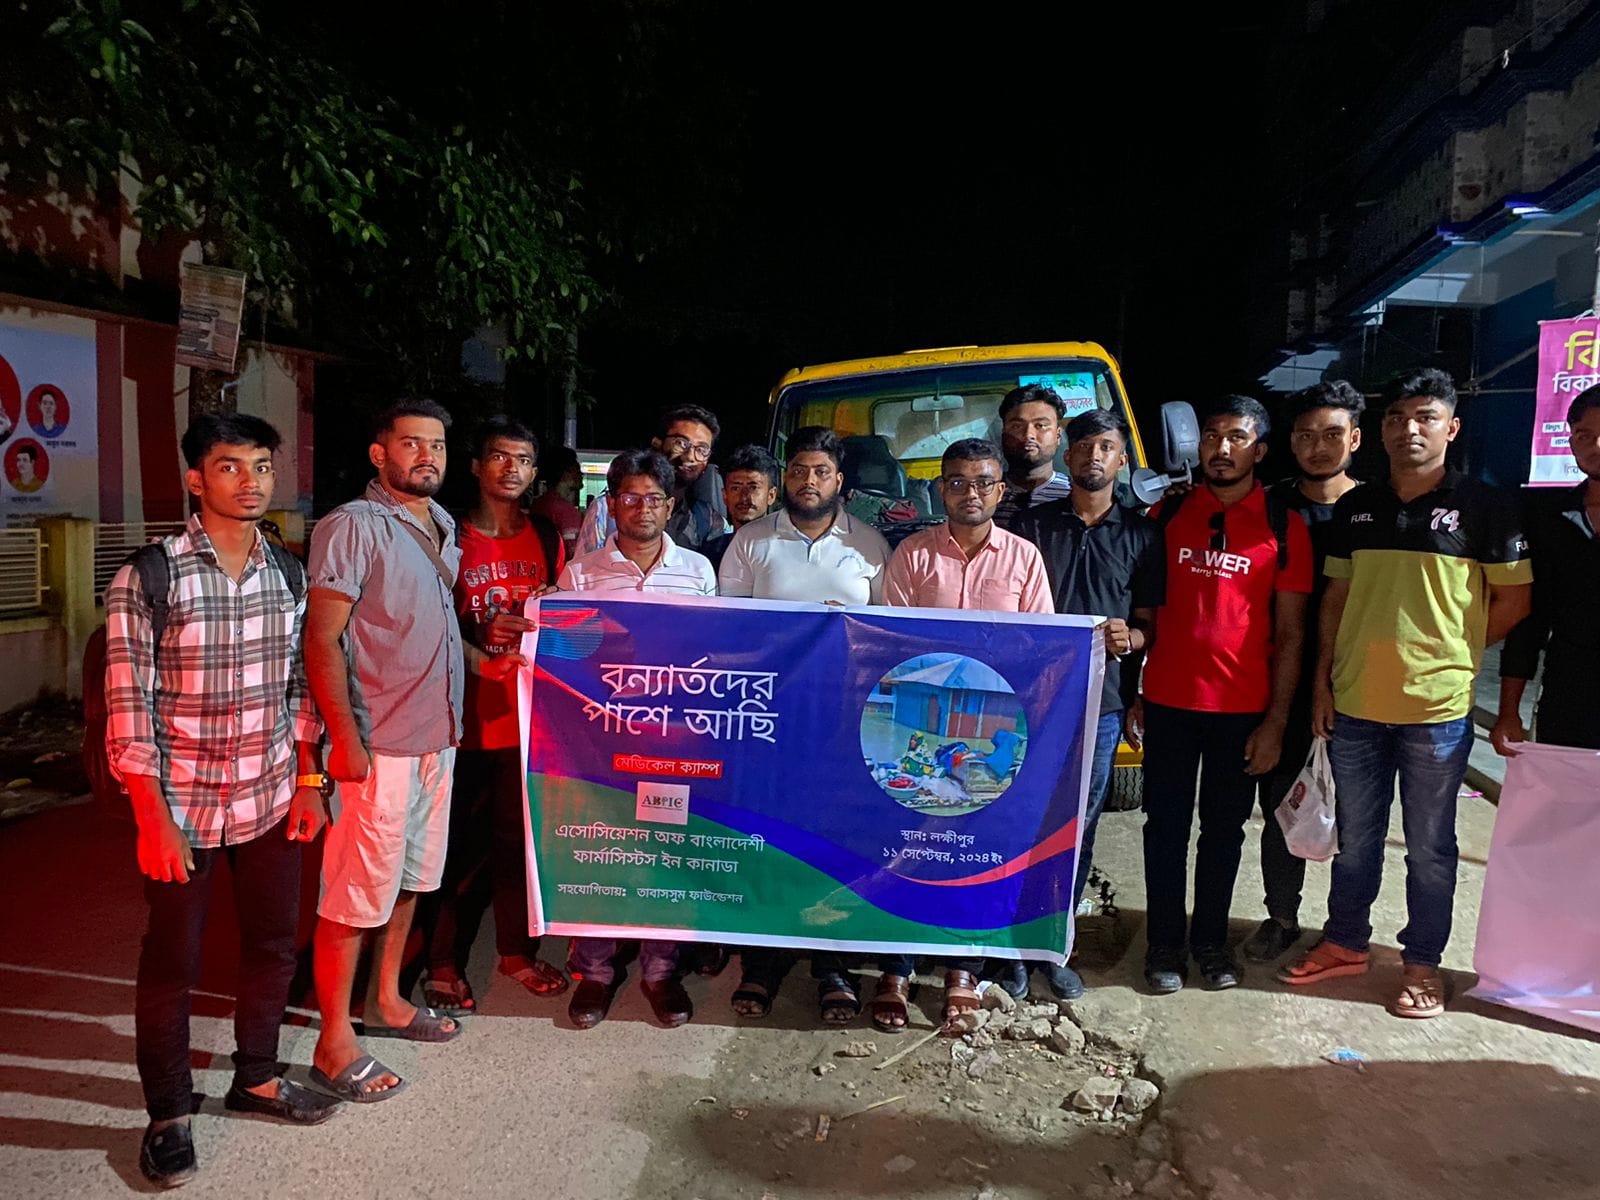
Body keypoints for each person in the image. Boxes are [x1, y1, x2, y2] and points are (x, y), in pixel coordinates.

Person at [105, 413, 338, 1187]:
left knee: (273, 945)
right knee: (173, 961)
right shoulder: (151, 576)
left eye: (262, 466)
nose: (251, 481)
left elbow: (299, 686)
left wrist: (309, 780)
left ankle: (257, 1077)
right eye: (231, 466)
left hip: (268, 794)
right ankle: (169, 1113)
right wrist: (153, 819)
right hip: (184, 806)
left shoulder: (287, 573)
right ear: (196, 479)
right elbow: (129, 705)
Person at [1282, 369, 1532, 1018]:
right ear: (1381, 430)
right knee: (1356, 840)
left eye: (1425, 417)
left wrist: (1455, 651)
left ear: (1451, 428)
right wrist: (1323, 684)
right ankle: (1345, 942)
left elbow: (1514, 600)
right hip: (1357, 705)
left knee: (1431, 849)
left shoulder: (1484, 507)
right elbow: (1335, 599)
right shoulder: (1356, 508)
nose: (1408, 429)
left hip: (1436, 712)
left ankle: (1422, 962)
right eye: (1396, 418)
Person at [303, 399, 466, 1104]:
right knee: (353, 892)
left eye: (437, 445)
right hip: (380, 744)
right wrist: (343, 738)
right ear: (379, 454)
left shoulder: (442, 524)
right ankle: (333, 1041)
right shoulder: (352, 526)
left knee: (410, 878)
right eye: (411, 444)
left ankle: (388, 999)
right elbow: (321, 639)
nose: (427, 456)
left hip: (438, 737)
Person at [1132, 395, 1312, 995]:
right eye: (1211, 436)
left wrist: (1275, 723)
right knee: (1164, 828)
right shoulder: (1166, 515)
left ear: (1260, 451)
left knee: (1224, 832)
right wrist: (1136, 693)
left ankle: (1210, 942)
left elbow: (1291, 634)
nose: (1222, 449)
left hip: (1242, 711)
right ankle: (1164, 944)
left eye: (1237, 437)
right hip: (1168, 702)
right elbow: (1143, 612)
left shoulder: (1284, 525)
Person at [872, 437, 1052, 1029]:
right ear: (939, 489)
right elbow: (890, 641)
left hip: (995, 722)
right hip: (921, 729)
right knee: (907, 842)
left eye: (981, 482)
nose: (969, 493)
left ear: (1000, 490)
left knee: (977, 847)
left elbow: (1042, 645)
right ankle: (896, 970)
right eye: (956, 482)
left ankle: (962, 969)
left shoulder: (1024, 558)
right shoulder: (912, 555)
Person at [720, 425, 892, 1023]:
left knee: (836, 841)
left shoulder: (870, 545)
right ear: (783, 479)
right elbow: (727, 630)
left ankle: (832, 965)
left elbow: (890, 633)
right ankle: (762, 962)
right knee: (766, 839)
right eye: (797, 471)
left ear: (839, 481)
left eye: (820, 472)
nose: (808, 481)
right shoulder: (750, 541)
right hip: (769, 720)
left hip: (845, 724)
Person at [559, 450, 718, 1029]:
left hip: (674, 742)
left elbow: (711, 655)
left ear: (671, 506)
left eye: (654, 499)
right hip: (602, 742)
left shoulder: (698, 573)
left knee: (665, 851)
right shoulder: (582, 574)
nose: (642, 509)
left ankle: (660, 969)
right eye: (630, 497)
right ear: (611, 504)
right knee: (601, 848)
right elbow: (565, 656)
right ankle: (595, 970)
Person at [421, 417, 568, 1017]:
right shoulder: (446, 537)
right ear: (477, 466)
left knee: (517, 844)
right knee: (452, 847)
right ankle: (442, 962)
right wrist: (480, 638)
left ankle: (514, 952)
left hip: (528, 723)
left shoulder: (547, 537)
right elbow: (427, 622)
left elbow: (567, 622)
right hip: (459, 721)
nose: (512, 469)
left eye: (524, 460)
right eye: (500, 457)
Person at [1019, 409, 1165, 999]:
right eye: (1083, 446)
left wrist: (1133, 637)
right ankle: (1008, 942)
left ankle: (1055, 942)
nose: (1093, 456)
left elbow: (1151, 625)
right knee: (1019, 816)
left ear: (1122, 460)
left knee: (1076, 826)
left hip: (1101, 705)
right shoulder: (1032, 526)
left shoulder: (1143, 535)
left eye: (1106, 447)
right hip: (1030, 700)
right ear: (1067, 454)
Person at [1242, 381, 1365, 963]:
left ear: (1355, 439)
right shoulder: (1269, 506)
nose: (1319, 446)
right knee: (1284, 804)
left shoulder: (1376, 508)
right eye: (1307, 435)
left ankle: (1346, 928)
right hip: (1279, 679)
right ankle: (1282, 916)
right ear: (1290, 442)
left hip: (1359, 683)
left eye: (1332, 434)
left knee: (1357, 816)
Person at [1494, 384, 1600, 752]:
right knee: (1568, 791)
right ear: (1571, 442)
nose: (1596, 445)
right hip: (1568, 700)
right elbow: (1530, 622)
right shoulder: (1549, 520)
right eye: (1584, 435)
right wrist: (1509, 711)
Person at [577, 405, 728, 552]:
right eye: (681, 443)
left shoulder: (708, 519)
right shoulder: (610, 507)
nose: (690, 456)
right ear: (657, 443)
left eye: (701, 449)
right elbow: (587, 565)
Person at [993, 384, 1072, 531]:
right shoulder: (984, 495)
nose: (1029, 435)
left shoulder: (1075, 495)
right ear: (1003, 434)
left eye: (1040, 425)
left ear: (1058, 435)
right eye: (1017, 426)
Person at [702, 444, 781, 572]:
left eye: (753, 488)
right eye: (736, 488)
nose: (744, 497)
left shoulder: (786, 551)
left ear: (771, 495)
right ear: (725, 495)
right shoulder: (709, 554)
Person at [529, 445, 585, 558]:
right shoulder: (566, 512)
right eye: (577, 469)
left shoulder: (538, 504)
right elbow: (574, 553)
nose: (581, 474)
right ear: (566, 473)